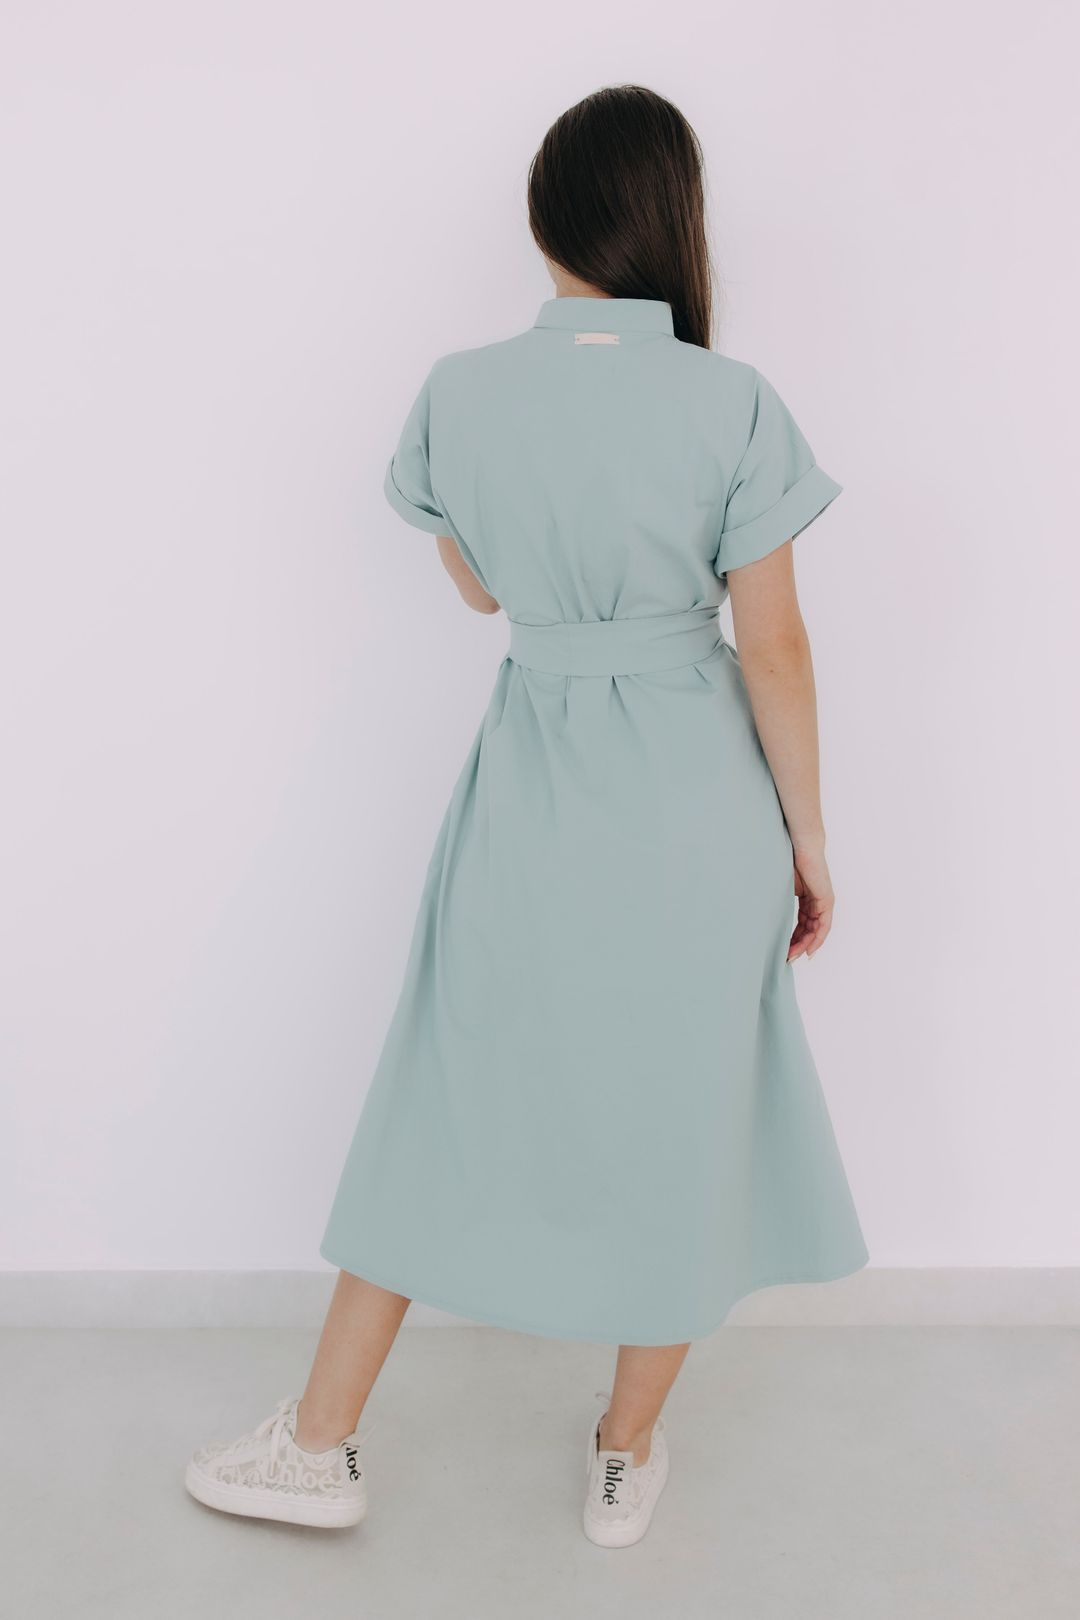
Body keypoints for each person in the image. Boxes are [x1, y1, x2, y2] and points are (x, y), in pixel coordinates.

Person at [184, 83, 869, 1549]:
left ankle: (321, 1444)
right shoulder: (733, 402)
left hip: (532, 790)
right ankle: (624, 1451)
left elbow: (484, 590)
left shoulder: (461, 392)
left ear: (546, 222)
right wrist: (807, 839)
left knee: (443, 1085)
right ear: (675, 220)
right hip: (699, 807)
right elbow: (775, 648)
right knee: (691, 1112)